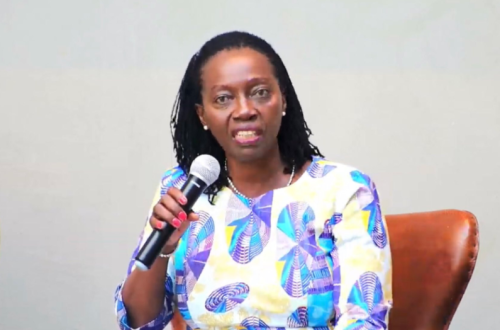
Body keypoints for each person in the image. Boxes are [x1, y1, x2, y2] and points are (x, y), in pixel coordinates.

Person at [114, 31, 393, 330]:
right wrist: (164, 249)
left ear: (282, 99)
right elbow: (140, 322)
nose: (245, 110)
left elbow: (364, 321)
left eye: (260, 92)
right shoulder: (182, 189)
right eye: (223, 98)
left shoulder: (344, 189)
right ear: (202, 115)